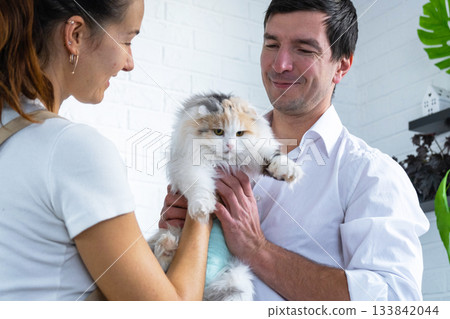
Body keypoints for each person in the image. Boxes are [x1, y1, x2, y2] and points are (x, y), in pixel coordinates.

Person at [160, 0, 430, 301]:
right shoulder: (213, 144)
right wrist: (179, 236)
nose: (280, 65)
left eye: (304, 50)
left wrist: (256, 248)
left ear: (341, 65)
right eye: (272, 44)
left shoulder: (371, 175)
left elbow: (396, 302)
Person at [0, 0, 211, 301]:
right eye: (127, 40)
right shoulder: (71, 149)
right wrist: (203, 202)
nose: (129, 62)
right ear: (74, 35)